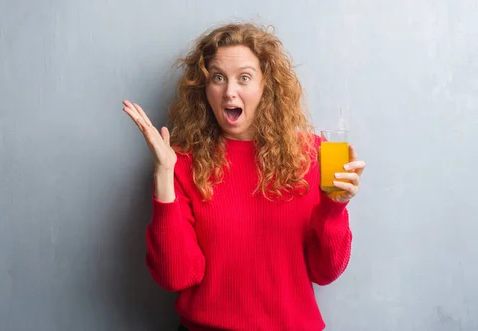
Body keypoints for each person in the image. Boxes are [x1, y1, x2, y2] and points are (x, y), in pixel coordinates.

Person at [122, 22, 366, 331]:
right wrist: (163, 174)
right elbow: (176, 276)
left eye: (245, 78)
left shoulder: (316, 155)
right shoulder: (181, 162)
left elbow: (325, 272)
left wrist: (335, 207)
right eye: (218, 78)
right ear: (204, 88)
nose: (229, 92)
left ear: (267, 85)